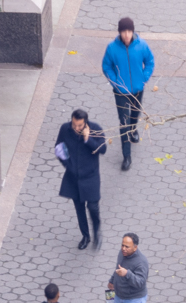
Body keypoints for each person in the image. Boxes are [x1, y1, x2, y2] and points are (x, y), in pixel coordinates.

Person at [101, 18, 154, 172]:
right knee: (123, 122)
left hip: (138, 89)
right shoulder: (112, 48)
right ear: (119, 32)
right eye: (124, 31)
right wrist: (115, 82)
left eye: (129, 31)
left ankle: (134, 130)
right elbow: (106, 66)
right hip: (121, 92)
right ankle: (126, 156)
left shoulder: (142, 46)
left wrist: (144, 78)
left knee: (135, 114)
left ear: (133, 31)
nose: (126, 35)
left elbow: (150, 61)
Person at [56, 108, 108, 250]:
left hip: (90, 176)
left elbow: (102, 150)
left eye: (79, 125)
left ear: (85, 123)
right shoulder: (65, 129)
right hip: (73, 177)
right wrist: (68, 164)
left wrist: (87, 139)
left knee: (93, 207)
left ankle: (97, 232)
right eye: (74, 124)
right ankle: (85, 236)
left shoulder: (95, 129)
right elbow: (59, 147)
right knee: (79, 208)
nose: (76, 128)